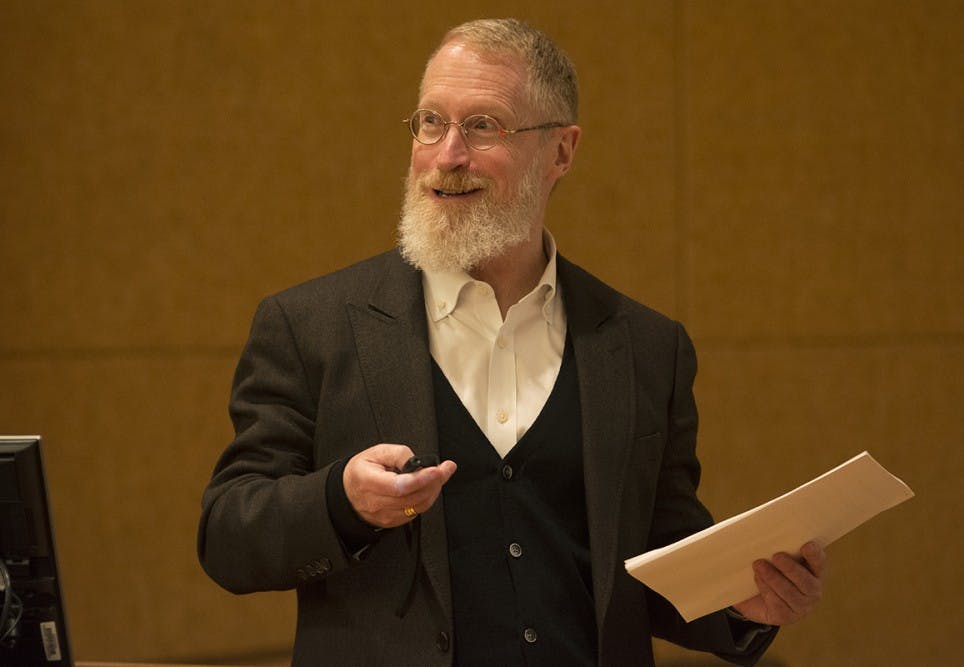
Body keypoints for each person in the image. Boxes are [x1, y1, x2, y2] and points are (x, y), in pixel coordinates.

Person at [198, 18, 825, 667]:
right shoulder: (311, 327)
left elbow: (651, 558)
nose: (447, 155)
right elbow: (227, 537)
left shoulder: (644, 346)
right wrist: (341, 501)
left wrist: (741, 601)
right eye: (431, 122)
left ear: (561, 151)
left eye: (483, 125)